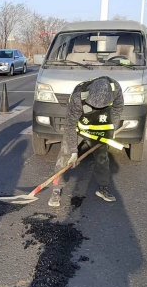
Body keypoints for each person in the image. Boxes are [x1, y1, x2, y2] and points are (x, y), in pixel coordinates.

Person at [48, 76, 124, 207]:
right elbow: (70, 125)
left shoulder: (115, 88)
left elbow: (117, 108)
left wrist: (112, 128)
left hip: (99, 126)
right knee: (65, 156)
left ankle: (103, 188)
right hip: (78, 126)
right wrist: (73, 152)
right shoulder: (78, 97)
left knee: (102, 157)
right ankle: (56, 189)